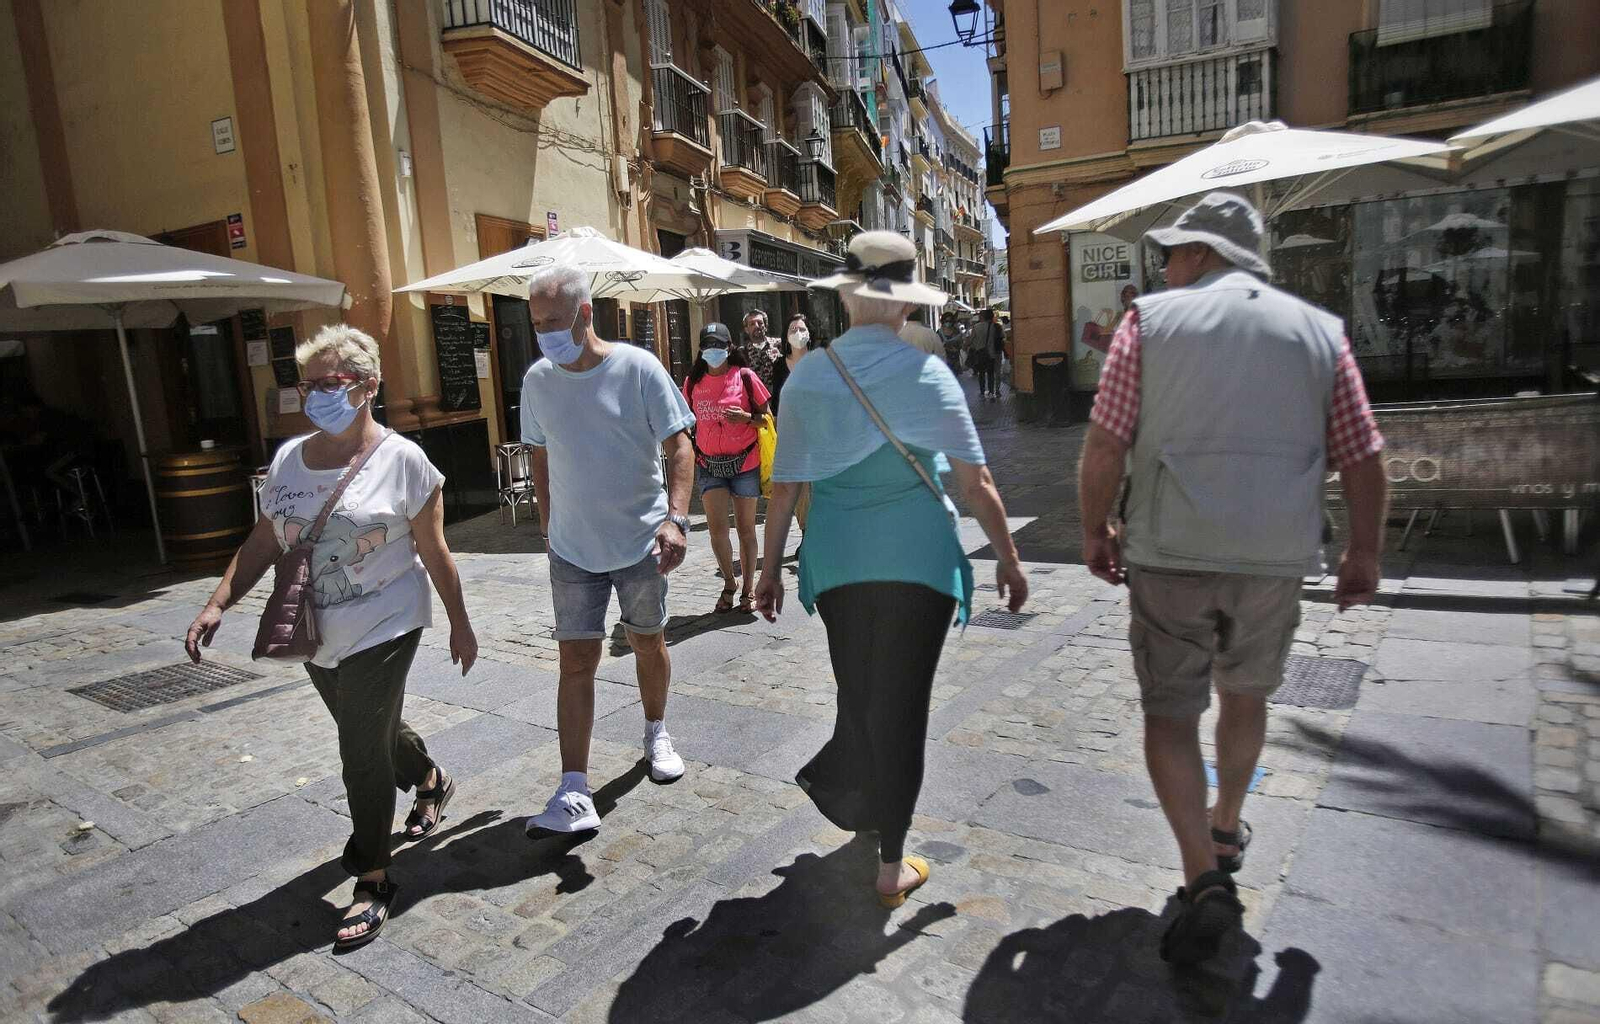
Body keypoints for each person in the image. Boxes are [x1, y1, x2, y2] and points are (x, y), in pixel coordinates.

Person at [1077, 192, 1387, 966]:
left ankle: (1201, 876)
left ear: (1202, 253)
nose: (1166, 268)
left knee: (1171, 712)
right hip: (1275, 555)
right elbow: (1363, 454)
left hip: (1170, 550)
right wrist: (1364, 553)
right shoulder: (1319, 332)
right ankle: (1225, 824)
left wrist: (1094, 528)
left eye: (1173, 254)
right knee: (1246, 696)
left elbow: (1106, 444)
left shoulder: (1148, 323)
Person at [753, 231, 1029, 908]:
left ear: (847, 297)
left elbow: (785, 488)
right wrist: (1009, 559)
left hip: (839, 562)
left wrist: (767, 570)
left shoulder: (808, 375)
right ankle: (891, 863)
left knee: (860, 692)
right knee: (902, 707)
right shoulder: (927, 373)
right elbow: (978, 483)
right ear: (906, 304)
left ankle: (864, 803)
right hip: (919, 564)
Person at [184, 324, 478, 950]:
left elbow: (435, 549)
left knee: (360, 749)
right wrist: (217, 602)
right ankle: (429, 778)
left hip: (387, 621)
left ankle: (372, 878)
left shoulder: (405, 461)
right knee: (368, 727)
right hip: (312, 627)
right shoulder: (290, 459)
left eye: (331, 382)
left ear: (368, 386)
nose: (315, 394)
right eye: (308, 383)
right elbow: (264, 539)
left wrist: (460, 621)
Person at [520, 264, 697, 836]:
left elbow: (680, 447)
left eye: (553, 321)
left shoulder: (637, 368)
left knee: (647, 641)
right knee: (576, 661)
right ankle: (574, 788)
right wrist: (547, 524)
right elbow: (540, 455)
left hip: (640, 542)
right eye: (536, 323)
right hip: (572, 550)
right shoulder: (537, 381)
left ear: (585, 313)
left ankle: (656, 730)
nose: (544, 333)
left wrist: (676, 520)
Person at [683, 322, 771, 613]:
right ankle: (729, 584)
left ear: (729, 347)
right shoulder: (693, 382)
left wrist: (746, 417)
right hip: (708, 464)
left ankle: (749, 589)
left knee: (746, 529)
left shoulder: (744, 376)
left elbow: (766, 419)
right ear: (700, 350)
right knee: (717, 531)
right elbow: (683, 420)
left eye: (719, 345)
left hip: (745, 463)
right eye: (708, 345)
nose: (714, 351)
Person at [771, 313, 812, 414]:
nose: (798, 333)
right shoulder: (779, 365)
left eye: (802, 329)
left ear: (809, 334)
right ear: (786, 336)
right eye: (793, 330)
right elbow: (776, 403)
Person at [734, 309, 781, 393]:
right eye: (752, 324)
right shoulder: (742, 353)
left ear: (766, 326)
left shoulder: (779, 345)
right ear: (746, 329)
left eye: (760, 323)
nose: (756, 326)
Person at [975, 309, 1006, 400]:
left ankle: (984, 391)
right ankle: (996, 390)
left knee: (984, 373)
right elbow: (1003, 337)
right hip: (997, 352)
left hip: (985, 352)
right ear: (992, 317)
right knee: (996, 372)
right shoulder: (997, 326)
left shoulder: (978, 326)